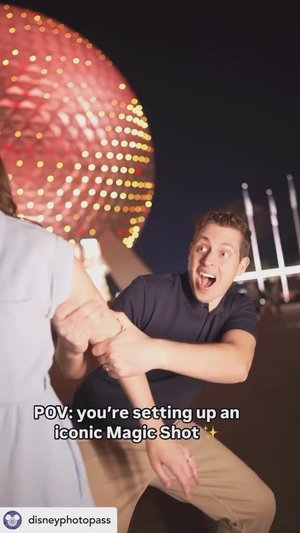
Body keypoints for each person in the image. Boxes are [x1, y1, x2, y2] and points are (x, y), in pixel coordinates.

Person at [58, 211, 276, 532]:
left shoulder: (236, 308)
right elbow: (83, 365)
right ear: (190, 251)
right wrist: (72, 347)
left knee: (257, 508)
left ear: (241, 267)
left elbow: (237, 364)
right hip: (103, 433)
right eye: (202, 247)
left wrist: (150, 351)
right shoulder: (147, 292)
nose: (208, 260)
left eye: (224, 253)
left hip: (173, 431)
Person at [0, 158, 122, 506]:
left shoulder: (40, 247)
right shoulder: (42, 246)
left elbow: (108, 339)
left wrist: (155, 432)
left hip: (29, 443)